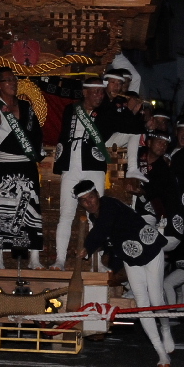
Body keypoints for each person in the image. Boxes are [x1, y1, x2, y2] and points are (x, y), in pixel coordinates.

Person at [76, 179, 173, 367]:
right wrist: (107, 260)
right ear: (81, 204)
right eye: (84, 201)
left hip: (150, 248)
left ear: (97, 195)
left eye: (91, 197)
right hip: (130, 256)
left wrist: (87, 246)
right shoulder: (94, 218)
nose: (90, 202)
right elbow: (110, 240)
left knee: (156, 299)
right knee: (142, 303)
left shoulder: (110, 205)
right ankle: (160, 352)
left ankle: (166, 328)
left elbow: (103, 229)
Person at [0, 67, 45, 269]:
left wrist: (37, 154)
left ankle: (35, 257)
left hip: (27, 164)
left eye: (14, 79)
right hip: (6, 164)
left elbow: (36, 133)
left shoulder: (26, 106)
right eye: (7, 80)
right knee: (1, 208)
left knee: (32, 207)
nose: (13, 83)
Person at [51, 76, 115, 270]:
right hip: (71, 165)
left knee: (97, 214)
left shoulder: (106, 111)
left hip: (93, 164)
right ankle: (60, 260)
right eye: (95, 91)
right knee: (66, 213)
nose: (99, 95)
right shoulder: (71, 109)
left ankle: (98, 262)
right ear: (85, 92)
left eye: (101, 92)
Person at [101, 68, 147, 182]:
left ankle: (132, 169)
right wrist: (129, 110)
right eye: (113, 82)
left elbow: (129, 125)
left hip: (109, 138)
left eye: (119, 84)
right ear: (105, 83)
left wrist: (134, 112)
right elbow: (116, 124)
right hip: (97, 140)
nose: (116, 87)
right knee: (135, 130)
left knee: (137, 131)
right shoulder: (100, 99)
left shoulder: (119, 101)